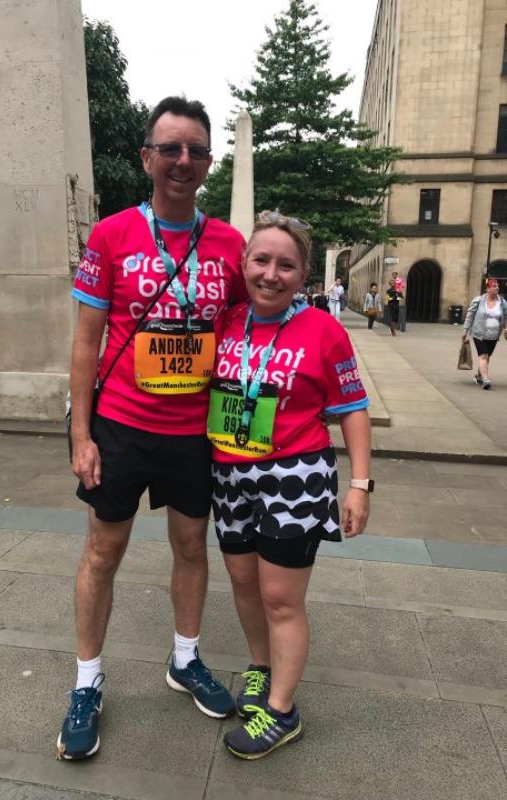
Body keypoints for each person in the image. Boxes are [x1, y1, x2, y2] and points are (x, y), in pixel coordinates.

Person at [58, 96, 247, 760]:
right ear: (147, 158)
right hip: (121, 426)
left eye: (195, 150)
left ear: (208, 163)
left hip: (195, 432)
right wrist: (81, 435)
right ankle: (87, 681)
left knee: (192, 546)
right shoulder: (111, 236)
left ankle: (185, 659)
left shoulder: (229, 245)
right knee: (102, 551)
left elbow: (243, 336)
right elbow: (85, 343)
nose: (182, 160)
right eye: (170, 148)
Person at [207, 211, 372, 760]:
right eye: (261, 260)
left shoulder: (324, 329)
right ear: (244, 263)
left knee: (280, 597)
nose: (271, 274)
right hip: (229, 474)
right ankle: (261, 666)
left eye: (286, 265)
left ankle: (282, 711)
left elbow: (353, 408)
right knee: (244, 584)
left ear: (303, 275)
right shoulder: (227, 321)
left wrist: (360, 485)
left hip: (294, 475)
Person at [462, 277, 507, 390]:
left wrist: (506, 328)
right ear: (487, 289)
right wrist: (465, 331)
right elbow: (470, 315)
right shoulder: (478, 301)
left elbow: (506, 316)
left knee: (487, 357)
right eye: (494, 286)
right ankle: (486, 380)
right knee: (483, 355)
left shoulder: (502, 303)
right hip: (479, 334)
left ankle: (479, 376)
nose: (497, 288)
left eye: (497, 286)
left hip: (494, 335)